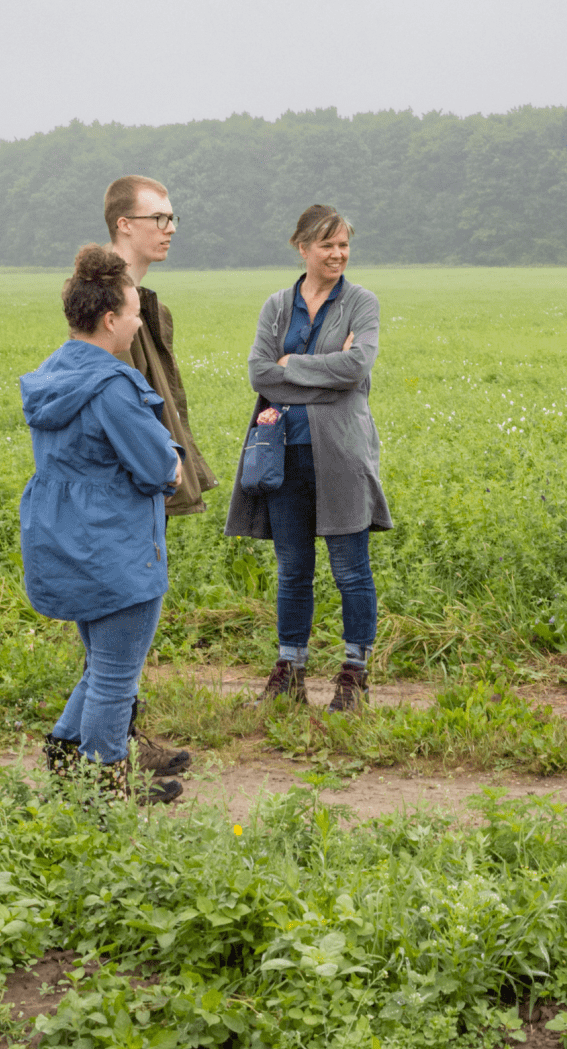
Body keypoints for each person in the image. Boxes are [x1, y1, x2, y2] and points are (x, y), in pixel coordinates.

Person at [19, 245, 186, 804]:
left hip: (66, 541)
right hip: (116, 546)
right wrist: (171, 459)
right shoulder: (113, 386)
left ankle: (69, 764)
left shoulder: (52, 375)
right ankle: (104, 790)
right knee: (117, 677)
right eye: (136, 312)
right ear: (111, 320)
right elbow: (158, 466)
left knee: (102, 665)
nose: (139, 322)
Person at [225, 205, 389, 712]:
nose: (338, 254)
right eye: (327, 245)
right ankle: (289, 672)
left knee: (350, 571)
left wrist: (292, 365)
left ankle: (353, 677)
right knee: (293, 569)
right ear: (302, 247)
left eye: (344, 245)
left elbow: (357, 365)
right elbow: (258, 373)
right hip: (283, 454)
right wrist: (326, 375)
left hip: (341, 454)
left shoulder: (362, 302)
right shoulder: (277, 305)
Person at [103, 176, 217, 516]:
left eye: (171, 219)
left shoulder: (137, 299)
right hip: (127, 491)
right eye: (158, 219)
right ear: (124, 225)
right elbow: (118, 404)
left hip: (142, 485)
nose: (170, 229)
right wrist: (157, 468)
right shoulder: (106, 301)